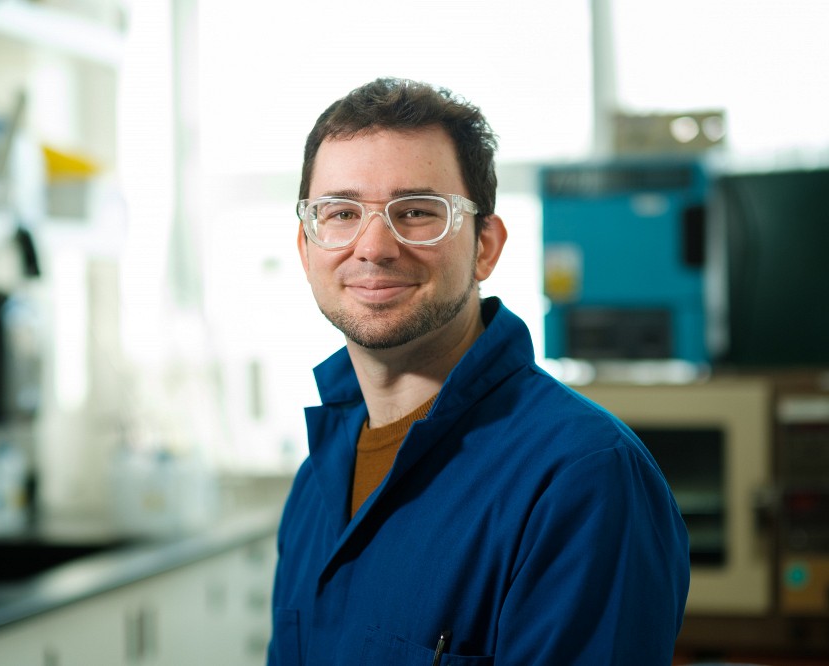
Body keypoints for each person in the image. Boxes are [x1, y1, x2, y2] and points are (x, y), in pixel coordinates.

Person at [268, 77, 690, 665]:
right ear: (306, 247)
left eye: (417, 212)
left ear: (485, 245)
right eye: (340, 212)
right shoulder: (315, 485)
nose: (373, 246)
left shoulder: (582, 480)